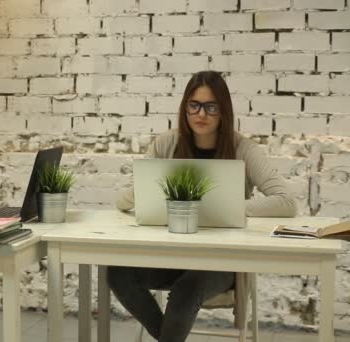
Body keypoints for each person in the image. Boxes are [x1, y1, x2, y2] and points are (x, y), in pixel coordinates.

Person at [109, 71, 296, 342]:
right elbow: (121, 201)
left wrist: (229, 207)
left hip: (222, 261)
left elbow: (287, 202)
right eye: (194, 105)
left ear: (223, 111)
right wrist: (144, 190)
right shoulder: (167, 143)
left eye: (211, 107)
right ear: (185, 107)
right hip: (169, 255)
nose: (201, 114)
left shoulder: (242, 148)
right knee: (117, 273)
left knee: (188, 288)